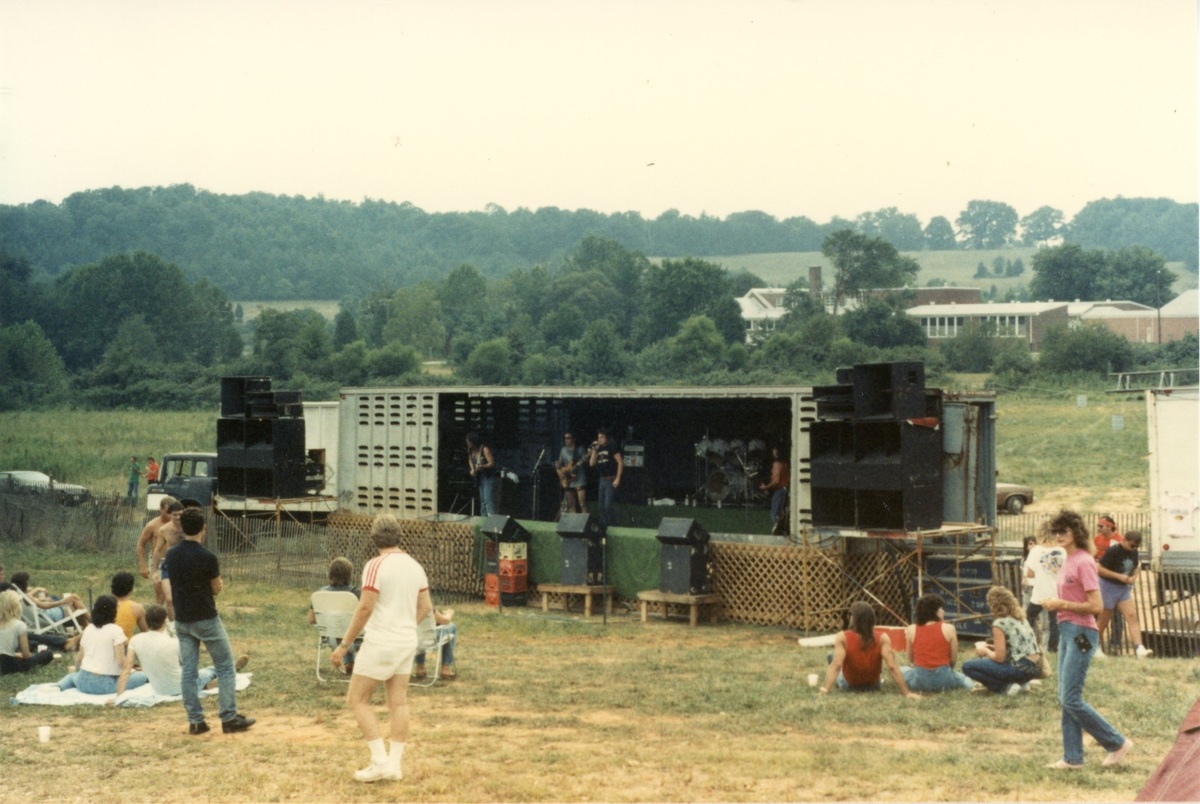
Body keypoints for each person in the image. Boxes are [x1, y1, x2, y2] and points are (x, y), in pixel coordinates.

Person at [331, 513, 432, 783]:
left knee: (357, 699)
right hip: (406, 640)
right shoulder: (415, 566)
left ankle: (379, 761)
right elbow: (425, 608)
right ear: (400, 535)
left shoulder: (375, 565)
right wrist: (403, 626)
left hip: (382, 641)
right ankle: (394, 765)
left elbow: (365, 607)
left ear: (374, 538)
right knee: (398, 702)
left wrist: (343, 645)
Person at [1041, 508, 1132, 770]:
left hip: (1082, 632)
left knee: (1070, 697)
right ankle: (1072, 757)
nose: (1058, 535)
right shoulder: (1067, 559)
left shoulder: (1083, 561)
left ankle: (1116, 743)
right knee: (1065, 696)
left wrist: (1061, 602)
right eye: (1055, 531)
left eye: (1063, 531)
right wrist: (1058, 605)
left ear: (1076, 533)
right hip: (1068, 630)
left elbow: (1096, 605)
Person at [165, 507, 255, 735]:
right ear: (203, 528)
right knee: (225, 666)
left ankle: (196, 721)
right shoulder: (208, 557)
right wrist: (216, 585)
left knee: (189, 670)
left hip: (182, 619)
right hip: (205, 617)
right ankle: (229, 717)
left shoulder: (172, 554)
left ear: (181, 527)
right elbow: (216, 588)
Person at [112, 604, 248, 701]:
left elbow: (126, 669)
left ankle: (226, 672)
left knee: (203, 675)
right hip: (184, 685)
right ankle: (232, 669)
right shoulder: (174, 643)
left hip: (160, 688)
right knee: (208, 671)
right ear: (164, 621)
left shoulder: (136, 640)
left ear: (146, 621)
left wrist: (120, 696)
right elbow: (188, 666)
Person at [818, 602, 918, 698]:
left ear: (853, 619)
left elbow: (836, 666)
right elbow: (892, 667)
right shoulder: (883, 638)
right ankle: (832, 657)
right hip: (873, 686)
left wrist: (824, 690)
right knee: (835, 660)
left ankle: (831, 657)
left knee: (834, 660)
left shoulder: (842, 637)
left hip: (849, 685)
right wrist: (907, 693)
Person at [54, 595, 148, 695]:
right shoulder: (116, 631)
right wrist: (132, 670)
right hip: (104, 684)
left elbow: (79, 659)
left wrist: (77, 672)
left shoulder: (88, 629)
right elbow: (120, 662)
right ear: (113, 612)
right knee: (142, 676)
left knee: (71, 677)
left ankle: (58, 687)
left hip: (82, 681)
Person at [962, 586, 1042, 695]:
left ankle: (1005, 687)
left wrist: (985, 651)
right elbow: (1016, 647)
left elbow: (999, 658)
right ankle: (1022, 683)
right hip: (1034, 669)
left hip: (1019, 668)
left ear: (993, 605)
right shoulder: (1022, 618)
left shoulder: (1000, 623)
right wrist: (989, 647)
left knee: (968, 666)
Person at [1096, 530, 1153, 659]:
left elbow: (1136, 566)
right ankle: (1095, 646)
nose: (1134, 549)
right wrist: (1118, 576)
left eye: (1137, 547)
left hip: (1123, 588)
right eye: (1132, 545)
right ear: (1124, 541)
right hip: (1108, 586)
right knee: (1104, 619)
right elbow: (1099, 568)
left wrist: (1134, 576)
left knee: (1132, 616)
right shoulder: (1113, 551)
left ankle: (1139, 648)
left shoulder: (1134, 552)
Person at [902, 593, 973, 692]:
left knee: (902, 670)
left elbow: (911, 658)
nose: (943, 611)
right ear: (936, 611)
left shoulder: (911, 629)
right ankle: (972, 688)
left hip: (920, 680)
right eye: (941, 609)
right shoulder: (949, 628)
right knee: (964, 678)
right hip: (944, 678)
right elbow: (953, 660)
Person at [308, 556, 361, 674]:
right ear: (349, 574)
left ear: (329, 573)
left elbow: (311, 619)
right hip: (356, 640)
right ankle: (351, 662)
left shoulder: (320, 594)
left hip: (331, 638)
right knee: (349, 626)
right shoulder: (356, 593)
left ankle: (349, 662)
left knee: (340, 627)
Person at [1024, 525, 1066, 653]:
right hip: (1056, 592)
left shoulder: (1036, 550)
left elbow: (1029, 573)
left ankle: (1029, 646)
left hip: (1040, 592)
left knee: (1028, 618)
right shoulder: (1062, 550)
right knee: (1054, 622)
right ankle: (1053, 649)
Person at [136, 496, 181, 611]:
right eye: (168, 511)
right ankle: (158, 619)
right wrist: (143, 565)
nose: (171, 514)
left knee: (174, 593)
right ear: (161, 509)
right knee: (160, 593)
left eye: (173, 511)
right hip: (159, 561)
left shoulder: (178, 525)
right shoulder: (152, 525)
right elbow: (141, 545)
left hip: (175, 561)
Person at [10, 570, 90, 629]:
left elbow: (36, 604)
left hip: (43, 615)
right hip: (48, 617)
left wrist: (42, 600)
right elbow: (44, 606)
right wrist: (61, 602)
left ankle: (88, 628)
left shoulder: (16, 595)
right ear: (24, 583)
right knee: (74, 599)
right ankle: (94, 622)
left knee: (77, 606)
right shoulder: (26, 597)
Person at [0, 589, 55, 675]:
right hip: (7, 666)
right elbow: (26, 655)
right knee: (48, 654)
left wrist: (14, 654)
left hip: (4, 659)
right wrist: (33, 656)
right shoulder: (19, 625)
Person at [1093, 514, 1125, 654]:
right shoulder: (1097, 539)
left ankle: (1115, 642)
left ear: (1110, 527)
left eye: (1101, 526)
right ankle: (1095, 640)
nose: (1098, 528)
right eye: (1098, 525)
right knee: (1096, 610)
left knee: (1116, 613)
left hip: (1114, 580)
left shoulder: (1119, 541)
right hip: (1097, 579)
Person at [588, 428, 623, 528]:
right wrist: (594, 450)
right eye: (598, 437)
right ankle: (605, 526)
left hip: (610, 478)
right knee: (601, 506)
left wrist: (618, 478)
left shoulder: (612, 447)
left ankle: (613, 525)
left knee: (608, 505)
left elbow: (620, 462)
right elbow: (591, 464)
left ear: (606, 438)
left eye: (602, 437)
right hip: (602, 479)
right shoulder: (598, 449)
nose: (599, 439)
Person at [412, 608, 457, 682]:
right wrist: (449, 614)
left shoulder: (405, 611)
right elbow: (445, 621)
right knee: (452, 627)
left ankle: (420, 667)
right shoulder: (427, 608)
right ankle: (445, 668)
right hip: (430, 641)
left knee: (419, 635)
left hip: (412, 642)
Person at [759, 443, 789, 535]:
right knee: (780, 512)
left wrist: (766, 487)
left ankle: (778, 531)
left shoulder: (777, 464)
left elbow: (776, 481)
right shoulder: (784, 463)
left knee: (774, 514)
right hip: (784, 489)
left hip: (780, 490)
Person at [465, 431, 497, 517]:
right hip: (480, 478)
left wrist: (483, 466)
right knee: (482, 501)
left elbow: (492, 463)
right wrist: (472, 469)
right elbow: (470, 460)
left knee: (488, 500)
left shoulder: (484, 449)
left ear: (473, 442)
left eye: (469, 442)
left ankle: (492, 521)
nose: (467, 444)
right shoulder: (470, 451)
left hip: (488, 477)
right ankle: (483, 520)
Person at [555, 431, 588, 514]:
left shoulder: (580, 449)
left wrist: (581, 462)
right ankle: (573, 522)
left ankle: (586, 522)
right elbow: (560, 464)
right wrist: (561, 474)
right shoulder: (563, 450)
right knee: (570, 503)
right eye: (565, 438)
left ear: (573, 439)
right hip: (568, 478)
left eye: (568, 438)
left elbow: (585, 460)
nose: (566, 440)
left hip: (579, 477)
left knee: (582, 502)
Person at [111, 572, 148, 639]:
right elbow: (146, 633)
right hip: (126, 646)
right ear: (131, 589)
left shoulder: (104, 605)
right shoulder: (137, 608)